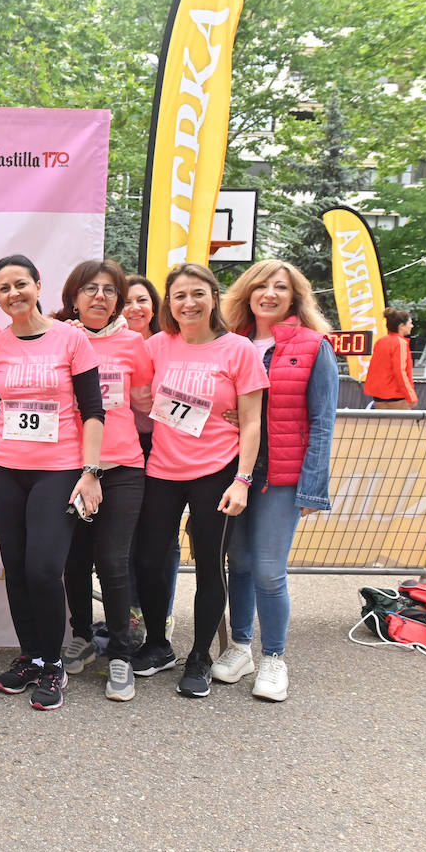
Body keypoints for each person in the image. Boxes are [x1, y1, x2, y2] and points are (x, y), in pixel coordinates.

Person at [131, 264, 267, 699]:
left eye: (197, 294)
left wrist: (242, 480)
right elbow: (124, 380)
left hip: (217, 471)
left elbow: (250, 422)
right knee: (151, 560)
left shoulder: (239, 350)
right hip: (162, 471)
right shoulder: (156, 345)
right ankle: (157, 645)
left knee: (209, 564)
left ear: (214, 297)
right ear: (168, 304)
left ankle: (200, 658)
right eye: (179, 296)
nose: (188, 303)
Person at [0, 255, 105, 712]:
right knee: (15, 568)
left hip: (59, 470)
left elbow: (94, 410)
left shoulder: (71, 339)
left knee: (42, 569)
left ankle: (53, 663)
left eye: (21, 284)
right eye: (3, 288)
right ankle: (31, 656)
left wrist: (90, 472)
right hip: (5, 469)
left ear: (38, 284)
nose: (13, 294)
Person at [213, 261, 337, 702]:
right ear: (246, 293)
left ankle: (275, 658)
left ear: (295, 296)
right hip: (235, 470)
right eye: (261, 285)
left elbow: (323, 422)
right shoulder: (231, 342)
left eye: (280, 287)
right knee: (240, 564)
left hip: (282, 476)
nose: (269, 293)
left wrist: (311, 487)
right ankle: (241, 647)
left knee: (268, 570)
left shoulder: (313, 345)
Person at [57, 260, 152, 701]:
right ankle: (81, 634)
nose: (100, 297)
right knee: (74, 559)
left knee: (113, 561)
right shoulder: (57, 339)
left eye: (109, 290)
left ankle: (119, 653)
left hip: (123, 468)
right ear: (73, 296)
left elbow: (149, 404)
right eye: (90, 289)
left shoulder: (135, 344)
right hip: (67, 467)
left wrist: (225, 415)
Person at [122, 273, 177, 646]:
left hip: (161, 446)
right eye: (125, 300)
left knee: (161, 537)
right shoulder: (101, 342)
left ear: (154, 307)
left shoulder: (167, 345)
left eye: (141, 300)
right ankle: (130, 615)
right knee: (122, 536)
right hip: (120, 448)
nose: (133, 307)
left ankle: (162, 613)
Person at [364, 308, 418, 409]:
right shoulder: (400, 342)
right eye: (410, 323)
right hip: (396, 395)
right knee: (402, 424)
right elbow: (400, 371)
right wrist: (411, 395)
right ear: (401, 326)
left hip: (378, 395)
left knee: (384, 424)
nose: (412, 326)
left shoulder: (381, 341)